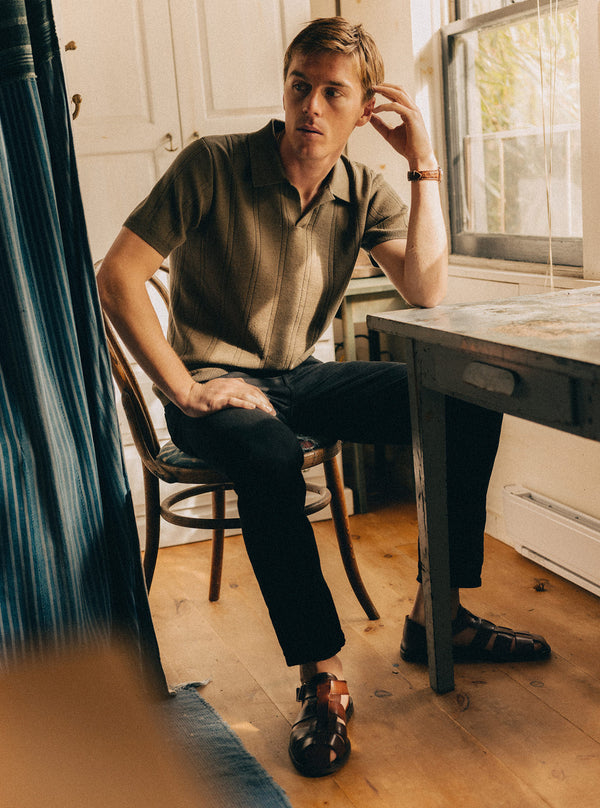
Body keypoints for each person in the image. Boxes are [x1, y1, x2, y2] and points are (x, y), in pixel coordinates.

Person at [98, 17, 550, 778]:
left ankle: (437, 616)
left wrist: (424, 163)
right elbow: (118, 276)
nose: (310, 104)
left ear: (365, 107)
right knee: (272, 456)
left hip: (297, 376)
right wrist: (183, 387)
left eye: (332, 92)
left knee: (464, 395)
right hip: (212, 384)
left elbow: (427, 288)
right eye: (299, 85)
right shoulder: (212, 164)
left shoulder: (363, 188)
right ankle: (321, 677)